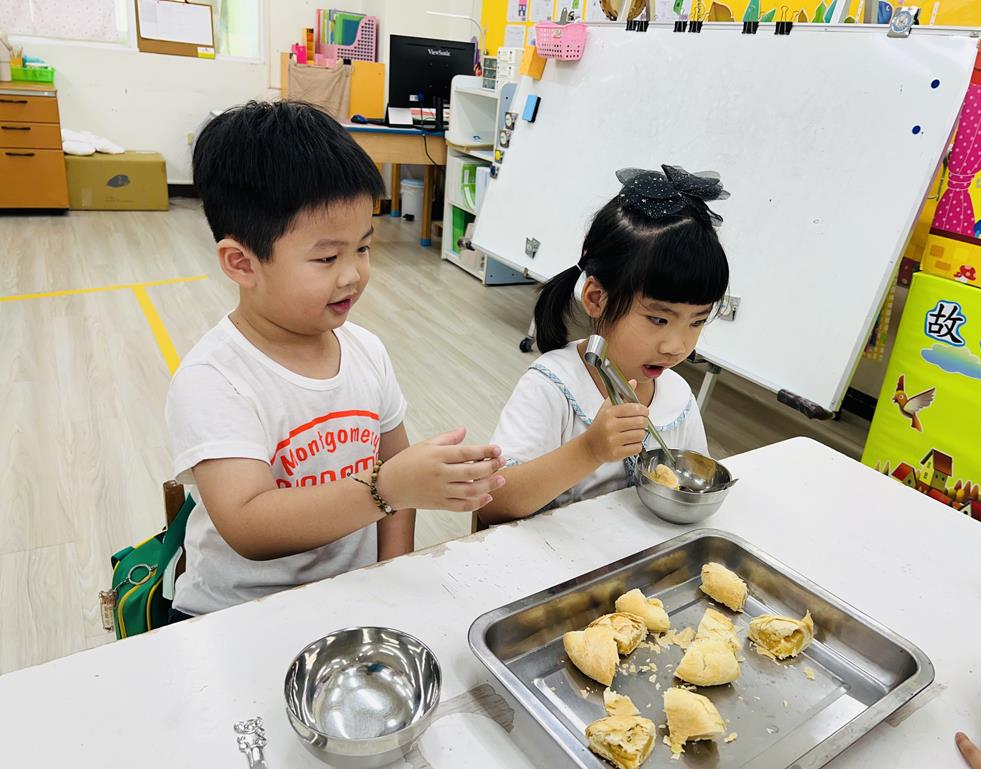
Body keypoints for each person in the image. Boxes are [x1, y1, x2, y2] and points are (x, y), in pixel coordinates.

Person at [165, 101, 504, 618]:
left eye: (363, 249)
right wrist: (387, 487)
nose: (353, 275)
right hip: (236, 614)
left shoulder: (367, 352)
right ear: (242, 263)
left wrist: (392, 577)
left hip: (353, 597)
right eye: (327, 258)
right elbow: (250, 527)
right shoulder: (213, 380)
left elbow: (397, 478)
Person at [480, 165, 729, 524]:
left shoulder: (677, 397)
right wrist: (589, 450)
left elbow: (689, 482)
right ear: (596, 298)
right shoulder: (553, 386)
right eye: (659, 320)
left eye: (697, 321)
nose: (676, 346)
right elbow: (492, 502)